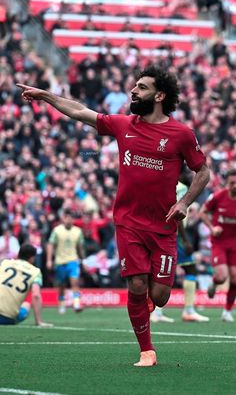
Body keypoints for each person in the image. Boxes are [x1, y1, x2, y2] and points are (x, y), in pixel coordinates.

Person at [17, 65, 210, 366]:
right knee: (135, 285)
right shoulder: (123, 124)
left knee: (159, 297)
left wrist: (184, 202)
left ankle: (147, 302)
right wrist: (45, 96)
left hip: (164, 226)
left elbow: (203, 171)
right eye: (134, 85)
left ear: (160, 95)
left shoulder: (182, 134)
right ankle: (147, 350)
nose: (133, 90)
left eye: (141, 87)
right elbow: (80, 111)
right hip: (128, 222)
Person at [151, 182, 209, 323]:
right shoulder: (180, 187)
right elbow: (177, 213)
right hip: (173, 234)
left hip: (159, 231)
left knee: (160, 270)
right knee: (190, 269)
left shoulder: (162, 182)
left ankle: (156, 312)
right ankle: (187, 311)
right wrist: (185, 239)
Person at [200, 169, 236, 322]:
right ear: (227, 183)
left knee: (235, 279)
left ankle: (227, 311)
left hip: (235, 243)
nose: (235, 186)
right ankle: (215, 284)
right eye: (232, 183)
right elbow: (202, 212)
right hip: (219, 242)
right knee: (222, 277)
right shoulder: (218, 196)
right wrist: (212, 228)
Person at [0, 243, 52, 326]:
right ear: (32, 258)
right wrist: (39, 322)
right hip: (6, 318)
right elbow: (36, 295)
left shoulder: (5, 263)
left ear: (18, 254)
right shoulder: (35, 272)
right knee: (27, 304)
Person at [47, 209, 85, 314]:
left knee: (75, 282)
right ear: (63, 218)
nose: (69, 220)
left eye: (71, 218)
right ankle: (62, 304)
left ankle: (76, 304)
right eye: (67, 218)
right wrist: (49, 260)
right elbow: (50, 244)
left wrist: (83, 260)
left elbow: (80, 247)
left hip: (73, 260)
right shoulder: (57, 230)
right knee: (61, 285)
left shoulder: (78, 231)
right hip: (60, 261)